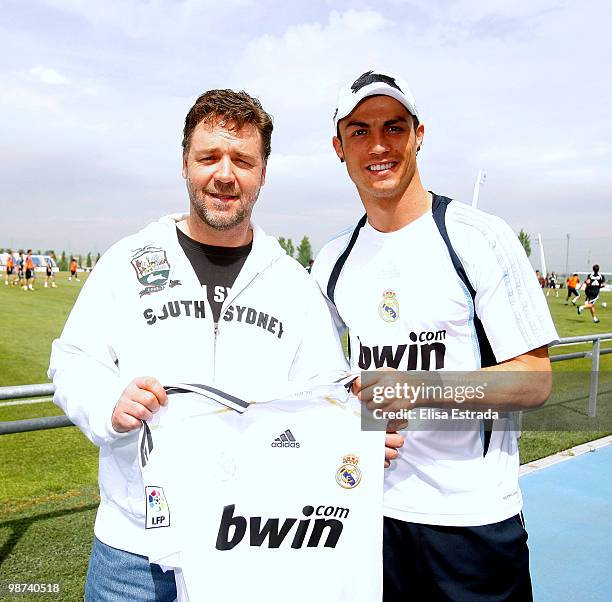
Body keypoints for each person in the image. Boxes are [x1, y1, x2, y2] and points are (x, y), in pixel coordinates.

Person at [49, 89, 354, 602]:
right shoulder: (129, 261)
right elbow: (74, 360)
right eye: (209, 157)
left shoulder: (293, 285)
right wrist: (109, 403)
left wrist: (361, 438)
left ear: (263, 173)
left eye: (242, 160)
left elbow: (327, 398)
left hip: (255, 545)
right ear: (185, 164)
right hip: (134, 553)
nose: (225, 174)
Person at [313, 70, 558, 600]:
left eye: (394, 128)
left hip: (471, 524)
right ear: (339, 146)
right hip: (367, 515)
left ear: (418, 134)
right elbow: (324, 385)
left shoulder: (477, 236)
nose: (378, 145)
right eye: (359, 131)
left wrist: (416, 392)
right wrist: (348, 404)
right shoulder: (331, 261)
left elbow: (535, 381)